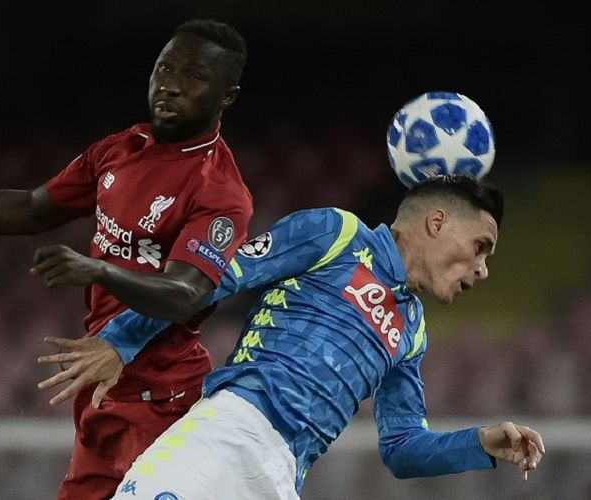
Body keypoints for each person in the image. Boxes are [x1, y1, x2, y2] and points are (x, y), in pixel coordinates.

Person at [0, 19, 253, 500]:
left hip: (160, 401)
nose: (170, 85)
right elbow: (31, 208)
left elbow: (186, 295)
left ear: (226, 96)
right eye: (164, 68)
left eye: (194, 76)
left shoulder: (219, 191)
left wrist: (101, 270)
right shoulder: (120, 150)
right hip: (102, 390)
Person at [36, 175, 545, 499]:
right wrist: (120, 341)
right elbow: (215, 279)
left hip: (283, 475)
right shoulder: (336, 234)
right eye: (480, 247)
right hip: (230, 432)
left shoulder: (411, 332)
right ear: (437, 222)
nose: (481, 270)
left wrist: (479, 443)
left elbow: (402, 448)